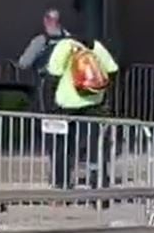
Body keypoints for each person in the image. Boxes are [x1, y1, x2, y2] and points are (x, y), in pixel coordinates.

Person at [43, 25, 119, 187]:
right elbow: (113, 70)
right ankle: (97, 183)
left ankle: (60, 183)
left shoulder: (65, 46)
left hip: (65, 103)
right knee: (95, 147)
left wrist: (49, 107)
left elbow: (53, 76)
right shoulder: (96, 47)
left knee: (61, 146)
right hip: (93, 103)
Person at [15, 7, 72, 111]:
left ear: (46, 20)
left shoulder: (41, 41)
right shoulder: (70, 40)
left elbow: (24, 63)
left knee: (46, 118)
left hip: (46, 85)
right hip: (68, 86)